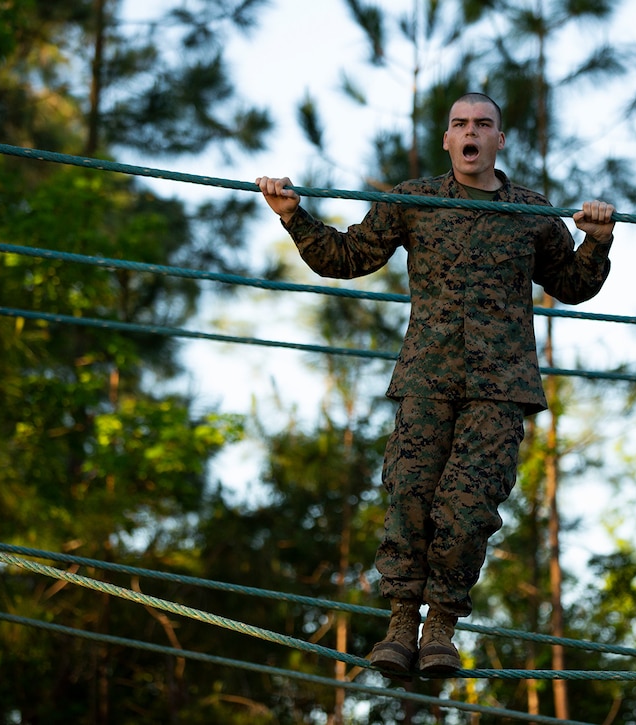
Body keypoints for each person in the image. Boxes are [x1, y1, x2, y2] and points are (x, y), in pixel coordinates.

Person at [257, 92, 616, 676]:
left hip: (500, 388)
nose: (470, 132)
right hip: (428, 377)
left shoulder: (531, 213)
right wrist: (292, 214)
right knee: (409, 498)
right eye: (459, 124)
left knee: (469, 508)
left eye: (483, 124)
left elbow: (573, 284)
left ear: (500, 141)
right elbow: (346, 257)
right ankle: (401, 624)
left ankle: (442, 626)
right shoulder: (412, 201)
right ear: (447, 140)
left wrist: (597, 239)